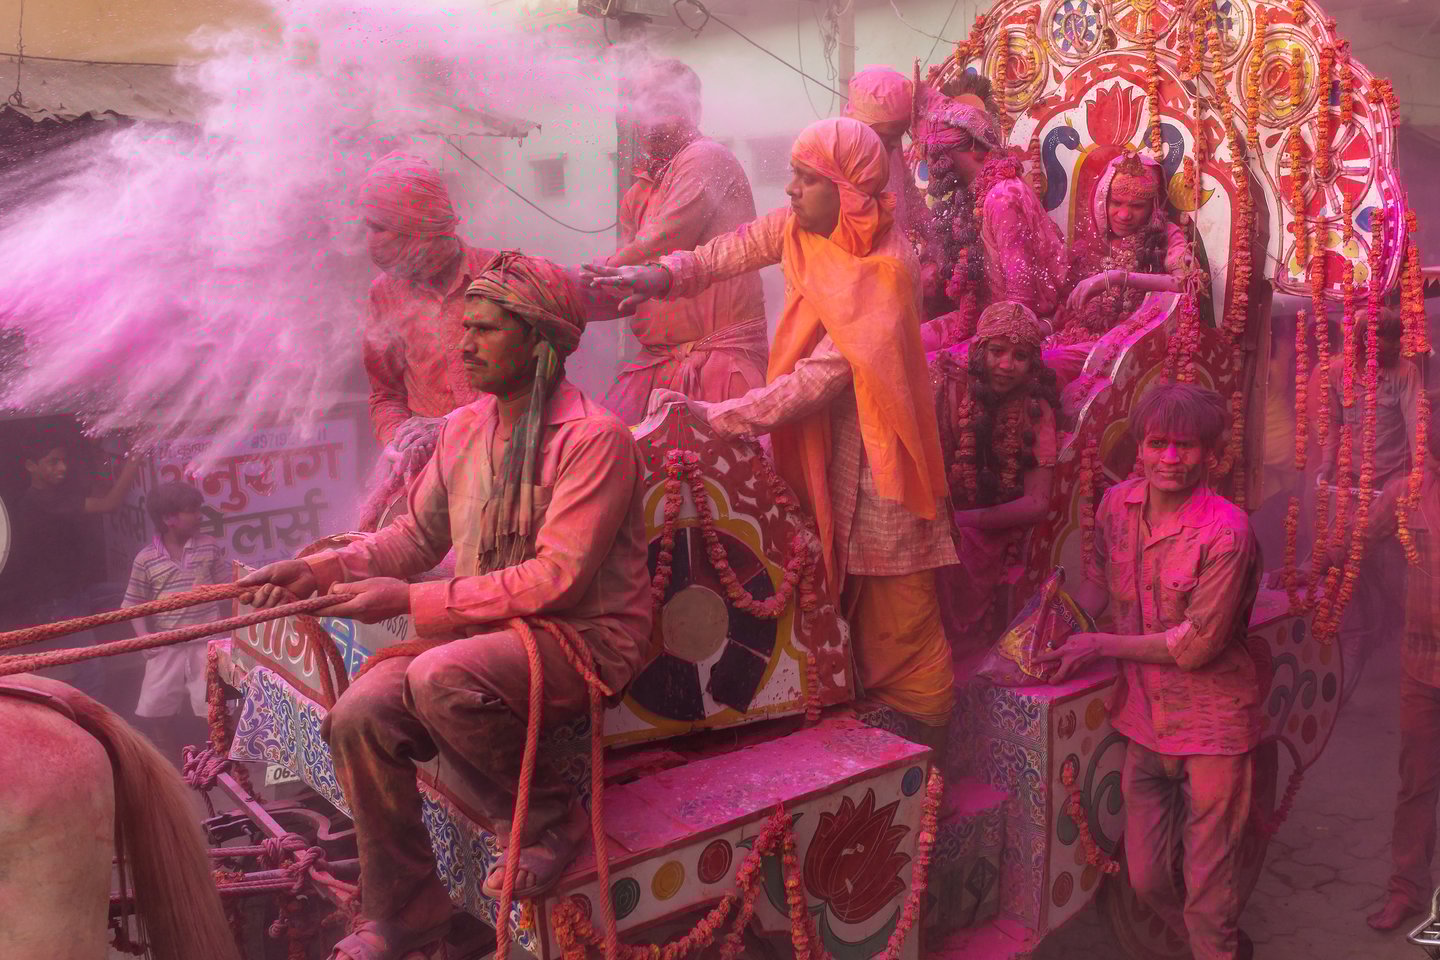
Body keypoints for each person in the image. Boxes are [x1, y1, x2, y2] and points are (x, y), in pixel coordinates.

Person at [239, 254, 652, 960]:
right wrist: (316, 570)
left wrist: (410, 600)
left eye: (485, 331)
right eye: (466, 328)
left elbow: (556, 579)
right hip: (486, 632)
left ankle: (550, 819)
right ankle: (406, 909)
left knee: (439, 677)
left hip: (582, 638)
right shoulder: (463, 428)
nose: (463, 346)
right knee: (358, 715)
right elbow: (412, 538)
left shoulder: (595, 439)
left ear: (541, 342)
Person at [587, 116, 958, 746]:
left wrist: (716, 417)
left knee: (900, 618)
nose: (789, 189)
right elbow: (728, 251)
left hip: (879, 464)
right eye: (793, 174)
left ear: (849, 192)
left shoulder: (888, 271)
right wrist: (660, 276)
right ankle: (862, 731)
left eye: (807, 179)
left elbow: (816, 381)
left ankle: (927, 754)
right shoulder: (800, 229)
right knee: (823, 594)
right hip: (815, 448)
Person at [1039, 383, 1262, 960]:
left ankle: (1215, 943)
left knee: (1207, 890)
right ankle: (1221, 944)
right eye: (1158, 443)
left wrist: (1098, 645)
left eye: (1186, 446)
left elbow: (1196, 646)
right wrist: (1053, 629)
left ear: (1210, 453)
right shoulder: (1118, 507)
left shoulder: (1227, 532)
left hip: (1212, 728)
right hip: (1144, 722)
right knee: (1146, 879)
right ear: (1138, 447)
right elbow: (1101, 590)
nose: (1170, 458)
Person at [594, 59, 767, 425]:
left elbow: (657, 246)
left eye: (663, 107)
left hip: (719, 367)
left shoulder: (707, 157)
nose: (652, 122)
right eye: (642, 110)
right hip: (655, 365)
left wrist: (573, 284)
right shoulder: (639, 192)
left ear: (695, 109)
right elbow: (627, 282)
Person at [932, 301, 1062, 656]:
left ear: (1033, 363)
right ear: (979, 351)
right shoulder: (951, 389)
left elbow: (1037, 503)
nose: (1006, 366)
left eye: (1020, 356)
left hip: (993, 526)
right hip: (943, 511)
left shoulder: (1036, 409)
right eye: (997, 352)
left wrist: (964, 520)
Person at [359, 152, 499, 476]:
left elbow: (534, 388)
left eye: (379, 227)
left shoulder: (500, 275)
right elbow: (386, 394)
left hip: (506, 466)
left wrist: (452, 425)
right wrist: (396, 440)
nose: (370, 241)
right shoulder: (384, 294)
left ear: (420, 229)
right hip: (431, 475)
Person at [1310, 307, 1420, 702]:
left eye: (1392, 347)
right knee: (1338, 556)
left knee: (1393, 572)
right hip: (1350, 481)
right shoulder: (1336, 373)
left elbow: (1415, 427)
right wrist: (1327, 466)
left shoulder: (1406, 373)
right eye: (1379, 347)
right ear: (1359, 344)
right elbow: (1332, 424)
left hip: (1391, 484)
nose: (1388, 354)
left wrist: (1418, 479)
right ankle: (1351, 634)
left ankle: (1395, 629)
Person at [912, 89, 1066, 351]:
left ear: (973, 146)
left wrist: (1003, 339)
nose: (931, 165)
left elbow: (1020, 298)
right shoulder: (972, 195)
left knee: (921, 362)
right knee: (903, 344)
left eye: (937, 154)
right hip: (982, 317)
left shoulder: (1002, 197)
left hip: (1010, 330)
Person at [1367, 402, 1440, 932]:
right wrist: (1306, 571)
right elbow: (1355, 543)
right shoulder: (1406, 493)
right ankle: (1407, 891)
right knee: (1416, 783)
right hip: (1422, 665)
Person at [1049, 152, 1205, 384]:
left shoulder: (1165, 235)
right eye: (1116, 203)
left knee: (1053, 363)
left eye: (1137, 206)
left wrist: (1116, 278)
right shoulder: (1093, 235)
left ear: (1153, 207)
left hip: (1127, 347)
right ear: (1103, 200)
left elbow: (1187, 282)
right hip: (1079, 335)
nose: (1123, 215)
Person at [120, 481, 228, 760]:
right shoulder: (146, 559)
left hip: (207, 640)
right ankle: (168, 759)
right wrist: (144, 638)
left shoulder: (209, 546)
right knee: (157, 708)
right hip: (167, 642)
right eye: (192, 511)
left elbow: (229, 588)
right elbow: (131, 604)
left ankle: (219, 758)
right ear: (169, 519)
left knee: (215, 707)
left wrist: (230, 632)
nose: (199, 516)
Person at [2, 435, 143, 630]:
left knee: (136, 594)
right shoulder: (43, 502)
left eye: (63, 461)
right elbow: (109, 503)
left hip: (75, 592)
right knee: (87, 652)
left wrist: (98, 456)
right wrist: (137, 454)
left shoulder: (49, 495)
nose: (63, 467)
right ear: (30, 466)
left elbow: (100, 494)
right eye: (53, 462)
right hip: (58, 602)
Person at [844, 66, 925, 246]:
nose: (896, 144)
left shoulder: (889, 147)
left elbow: (908, 193)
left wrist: (934, 237)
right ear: (860, 128)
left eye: (901, 134)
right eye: (888, 136)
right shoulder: (838, 164)